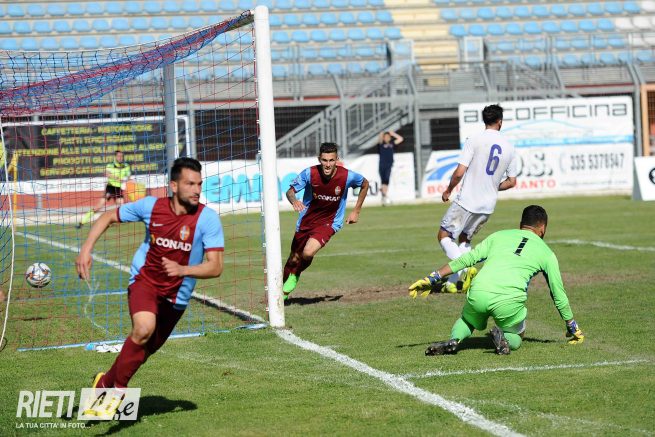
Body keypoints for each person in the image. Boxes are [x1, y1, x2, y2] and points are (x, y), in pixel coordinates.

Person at [75, 157, 224, 418]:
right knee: (143, 329)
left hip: (177, 296)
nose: (197, 190)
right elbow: (109, 216)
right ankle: (118, 391)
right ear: (174, 186)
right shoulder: (151, 206)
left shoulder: (208, 219)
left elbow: (216, 266)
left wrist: (183, 270)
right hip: (145, 281)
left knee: (142, 352)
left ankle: (104, 383)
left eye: (199, 184)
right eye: (190, 184)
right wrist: (86, 249)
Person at [409, 205, 584, 356]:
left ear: (521, 224)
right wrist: (571, 325)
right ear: (543, 228)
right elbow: (557, 293)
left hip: (479, 291)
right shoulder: (547, 253)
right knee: (518, 334)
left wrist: (434, 277)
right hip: (508, 300)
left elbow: (466, 259)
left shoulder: (498, 235)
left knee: (468, 321)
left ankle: (455, 339)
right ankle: (504, 338)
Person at [437, 104, 517, 294]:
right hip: (487, 205)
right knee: (465, 239)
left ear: (484, 120)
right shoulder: (509, 147)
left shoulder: (474, 139)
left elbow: (459, 172)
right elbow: (511, 182)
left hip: (467, 200)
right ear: (500, 121)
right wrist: (492, 186)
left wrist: (448, 190)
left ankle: (466, 268)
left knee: (444, 235)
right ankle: (454, 283)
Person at [282, 142, 369, 300]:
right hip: (306, 222)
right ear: (319, 159)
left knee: (308, 252)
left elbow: (365, 184)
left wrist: (356, 211)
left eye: (331, 160)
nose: (328, 165)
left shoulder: (347, 176)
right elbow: (290, 192)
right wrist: (294, 201)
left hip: (329, 222)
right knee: (293, 258)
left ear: (337, 159)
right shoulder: (309, 173)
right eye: (324, 160)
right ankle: (280, 295)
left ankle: (295, 275)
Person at [77, 150, 132, 228]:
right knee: (98, 206)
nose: (120, 157)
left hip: (118, 189)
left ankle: (114, 222)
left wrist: (127, 179)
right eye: (118, 156)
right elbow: (107, 174)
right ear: (115, 157)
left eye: (121, 156)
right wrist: (116, 178)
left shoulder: (126, 166)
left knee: (122, 206)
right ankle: (82, 222)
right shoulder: (110, 165)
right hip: (110, 187)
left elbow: (128, 176)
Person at [377, 130, 403, 206]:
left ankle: (384, 196)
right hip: (382, 165)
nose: (387, 138)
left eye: (388, 137)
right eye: (385, 137)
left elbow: (400, 139)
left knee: (386, 182)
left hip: (389, 166)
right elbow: (380, 139)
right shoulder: (381, 145)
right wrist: (381, 134)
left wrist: (393, 134)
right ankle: (384, 196)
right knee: (383, 182)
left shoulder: (392, 144)